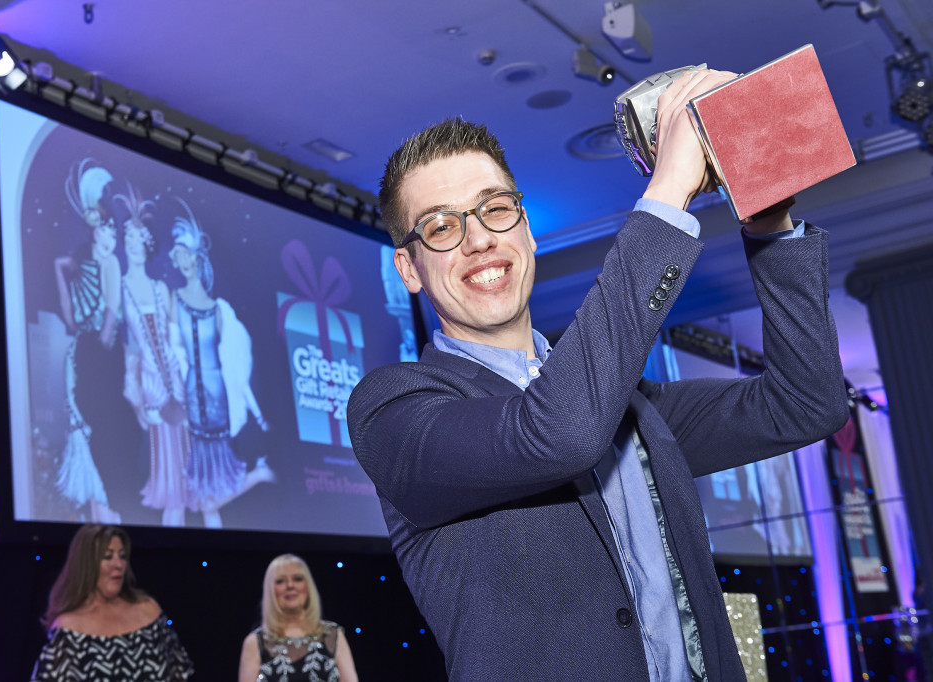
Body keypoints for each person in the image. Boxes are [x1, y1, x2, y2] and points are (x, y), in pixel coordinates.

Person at [347, 70, 849, 681]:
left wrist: (767, 218)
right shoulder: (394, 412)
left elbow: (805, 405)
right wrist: (667, 192)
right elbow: (558, 431)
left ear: (527, 231)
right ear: (409, 268)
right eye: (442, 226)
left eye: (496, 209)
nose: (478, 238)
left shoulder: (627, 404)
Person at [169, 199, 273, 528]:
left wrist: (252, 411)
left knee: (209, 497)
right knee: (199, 498)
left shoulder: (220, 310)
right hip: (190, 396)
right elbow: (174, 353)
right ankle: (258, 474)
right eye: (179, 255)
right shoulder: (174, 301)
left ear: (199, 259)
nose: (184, 262)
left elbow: (236, 365)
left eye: (189, 255)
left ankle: (257, 474)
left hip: (216, 396)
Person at [31, 524, 193, 681]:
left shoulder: (149, 609)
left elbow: (179, 672)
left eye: (122, 556)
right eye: (108, 556)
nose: (119, 564)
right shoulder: (68, 628)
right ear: (86, 564)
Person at [117, 184, 191, 527]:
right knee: (166, 457)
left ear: (147, 245)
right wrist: (134, 396)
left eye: (139, 240)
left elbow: (175, 336)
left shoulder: (162, 289)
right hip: (149, 379)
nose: (133, 246)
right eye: (128, 240)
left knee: (188, 454)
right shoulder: (120, 288)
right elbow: (127, 346)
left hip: (174, 376)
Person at [54, 160, 123, 524]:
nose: (104, 233)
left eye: (109, 229)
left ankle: (111, 501)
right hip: (86, 350)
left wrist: (104, 339)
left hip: (103, 354)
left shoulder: (111, 265)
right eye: (98, 226)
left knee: (107, 423)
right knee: (89, 421)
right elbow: (63, 271)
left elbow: (111, 310)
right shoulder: (82, 258)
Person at [238, 554, 358, 682]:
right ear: (270, 590)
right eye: (280, 581)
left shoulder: (332, 636)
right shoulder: (254, 643)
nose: (290, 585)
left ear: (308, 587)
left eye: (297, 579)